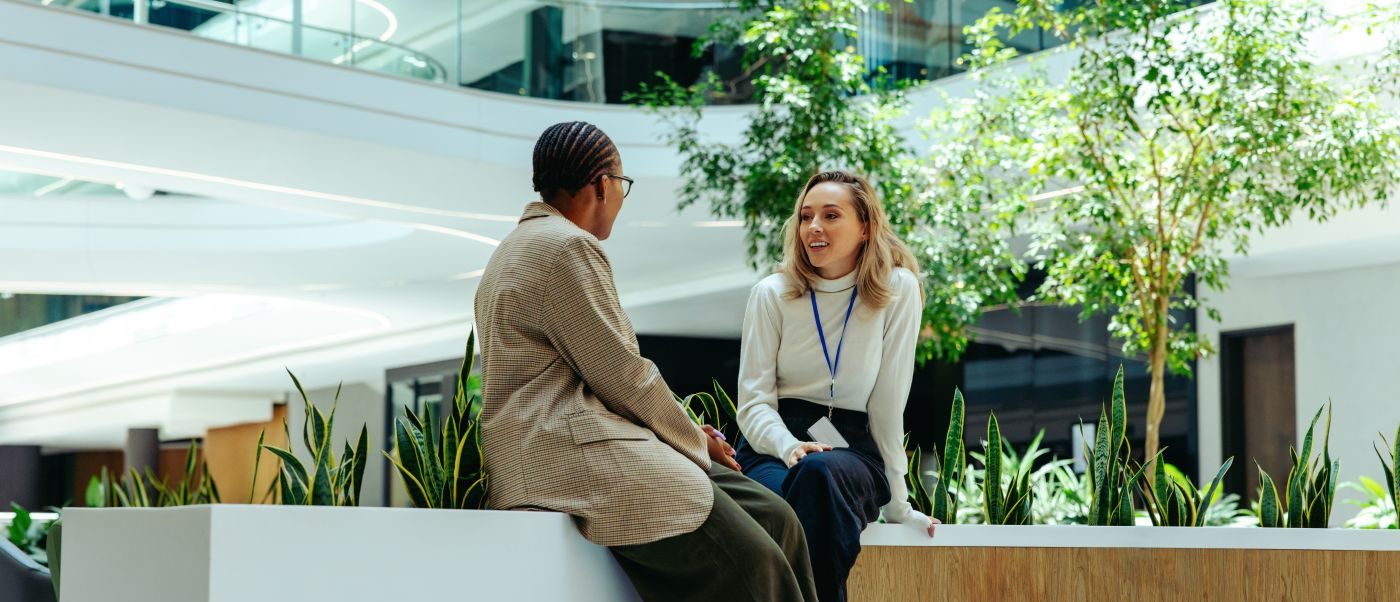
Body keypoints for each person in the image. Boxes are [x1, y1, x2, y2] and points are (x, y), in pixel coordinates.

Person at [473, 121, 818, 602]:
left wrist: (695, 440)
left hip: (558, 448)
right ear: (602, 184)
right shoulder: (565, 246)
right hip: (574, 453)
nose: (619, 198)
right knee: (752, 562)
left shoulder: (512, 250)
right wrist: (696, 440)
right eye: (622, 186)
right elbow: (626, 377)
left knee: (776, 517)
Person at [734, 170, 938, 602]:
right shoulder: (772, 293)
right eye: (806, 216)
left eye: (831, 215)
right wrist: (789, 445)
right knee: (800, 486)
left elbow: (887, 405)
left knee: (819, 475)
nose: (814, 227)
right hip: (774, 445)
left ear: (865, 228)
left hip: (850, 450)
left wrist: (898, 503)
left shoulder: (897, 289)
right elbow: (753, 404)